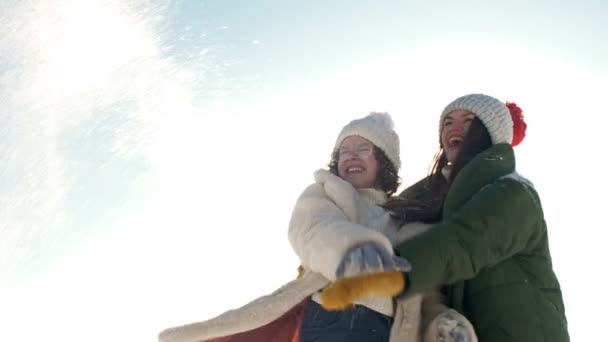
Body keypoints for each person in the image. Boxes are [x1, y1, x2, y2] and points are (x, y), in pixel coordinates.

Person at [158, 112, 474, 342]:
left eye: (363, 149)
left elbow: (425, 289)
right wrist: (360, 254)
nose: (351, 156)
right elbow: (315, 231)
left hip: (390, 330)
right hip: (333, 318)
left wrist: (441, 324)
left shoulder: (405, 221)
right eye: (344, 151)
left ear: (384, 161)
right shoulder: (327, 193)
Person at [339, 94, 570, 341]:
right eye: (448, 122)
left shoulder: (514, 192)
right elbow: (384, 223)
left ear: (491, 132)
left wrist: (391, 272)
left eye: (468, 120)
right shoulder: (426, 195)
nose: (454, 128)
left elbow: (463, 242)